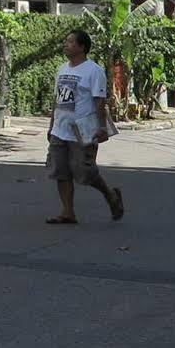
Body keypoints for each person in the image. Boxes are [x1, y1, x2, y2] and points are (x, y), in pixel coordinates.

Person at [45, 29, 124, 225]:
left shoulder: (93, 71)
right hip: (60, 129)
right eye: (65, 41)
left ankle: (111, 195)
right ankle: (68, 212)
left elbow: (99, 101)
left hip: (82, 129)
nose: (66, 44)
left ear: (82, 47)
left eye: (71, 42)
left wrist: (101, 127)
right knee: (60, 171)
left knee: (85, 173)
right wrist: (51, 124)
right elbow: (57, 99)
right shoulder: (62, 69)